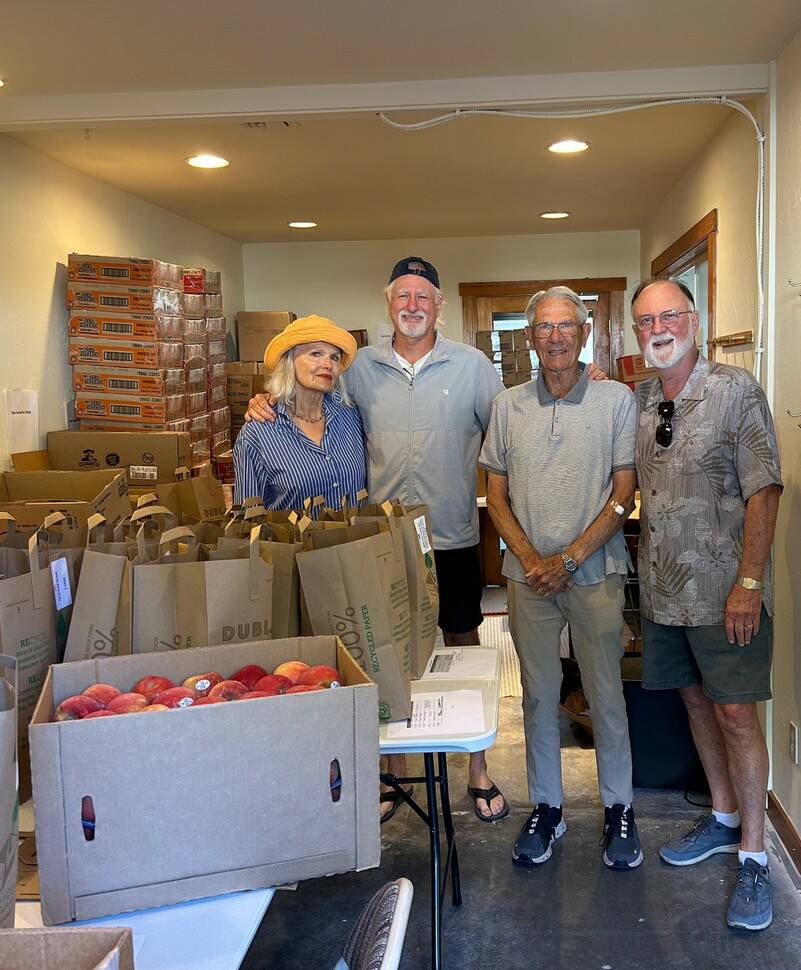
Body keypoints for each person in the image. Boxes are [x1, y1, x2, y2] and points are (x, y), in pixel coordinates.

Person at [248, 256, 510, 824]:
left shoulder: (473, 367)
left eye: (424, 296)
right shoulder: (358, 368)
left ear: (440, 306)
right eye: (402, 296)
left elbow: (509, 436)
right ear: (387, 303)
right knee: (379, 649)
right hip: (381, 542)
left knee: (462, 645)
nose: (412, 305)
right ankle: (388, 770)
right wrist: (264, 401)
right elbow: (308, 405)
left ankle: (478, 767)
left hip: (453, 537)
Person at [631, 278, 782, 930]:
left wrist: (748, 584)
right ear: (635, 333)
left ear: (694, 319)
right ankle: (721, 818)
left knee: (736, 715)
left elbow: (764, 490)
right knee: (693, 700)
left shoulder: (734, 390)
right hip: (663, 592)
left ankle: (753, 854)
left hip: (726, 593)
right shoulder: (638, 397)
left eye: (669, 315)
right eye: (645, 320)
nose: (658, 327)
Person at [480, 286, 642, 868]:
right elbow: (494, 497)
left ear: (584, 332)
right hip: (528, 580)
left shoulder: (616, 401)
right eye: (543, 328)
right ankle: (547, 808)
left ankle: (618, 809)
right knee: (538, 696)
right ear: (529, 339)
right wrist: (531, 561)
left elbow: (625, 494)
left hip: (595, 572)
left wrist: (569, 559)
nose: (554, 337)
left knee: (606, 696)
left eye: (564, 326)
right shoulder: (507, 407)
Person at [233, 316, 364, 511]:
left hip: (359, 541)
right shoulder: (258, 432)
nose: (328, 364)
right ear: (289, 361)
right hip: (296, 541)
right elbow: (248, 518)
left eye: (334, 357)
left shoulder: (350, 417)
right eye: (316, 353)